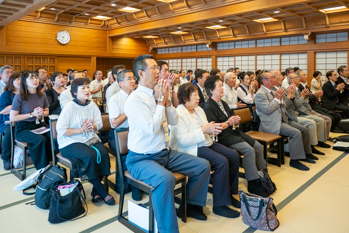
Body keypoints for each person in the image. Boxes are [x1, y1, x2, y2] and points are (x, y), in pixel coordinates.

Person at [125, 54, 211, 233]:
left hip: (164, 153)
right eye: (154, 68)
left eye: (159, 68)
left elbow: (173, 120)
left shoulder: (159, 94)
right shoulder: (134, 100)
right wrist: (159, 101)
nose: (158, 72)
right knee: (166, 179)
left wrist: (167, 100)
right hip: (140, 159)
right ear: (141, 73)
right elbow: (151, 128)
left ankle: (190, 206)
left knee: (202, 165)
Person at [170, 83, 240, 218]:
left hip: (206, 142)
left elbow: (207, 128)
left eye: (198, 94)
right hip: (191, 147)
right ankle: (220, 205)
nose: (198, 97)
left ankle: (229, 194)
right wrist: (204, 130)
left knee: (233, 155)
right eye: (194, 95)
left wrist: (214, 129)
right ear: (185, 97)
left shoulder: (199, 109)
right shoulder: (178, 113)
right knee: (221, 161)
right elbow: (183, 141)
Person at [203, 75, 272, 196]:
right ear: (211, 90)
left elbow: (229, 119)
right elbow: (215, 127)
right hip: (223, 137)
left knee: (258, 146)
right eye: (219, 86)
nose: (222, 88)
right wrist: (229, 122)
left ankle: (263, 176)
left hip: (234, 132)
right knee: (249, 150)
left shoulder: (222, 103)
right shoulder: (208, 106)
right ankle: (253, 182)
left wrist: (234, 120)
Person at [57, 78, 115, 205]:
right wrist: (80, 130)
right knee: (90, 155)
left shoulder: (92, 104)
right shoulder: (70, 107)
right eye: (83, 88)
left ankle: (95, 192)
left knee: (104, 153)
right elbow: (61, 130)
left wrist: (92, 127)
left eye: (88, 87)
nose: (87, 90)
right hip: (70, 141)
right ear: (74, 93)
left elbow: (98, 124)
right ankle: (102, 192)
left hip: (89, 138)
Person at [255, 72, 312, 171]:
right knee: (296, 133)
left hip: (282, 119)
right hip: (272, 123)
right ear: (264, 81)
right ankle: (294, 160)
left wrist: (281, 99)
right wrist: (278, 99)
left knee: (304, 129)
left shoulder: (272, 92)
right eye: (272, 78)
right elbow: (268, 109)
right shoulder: (260, 94)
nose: (274, 79)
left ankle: (306, 154)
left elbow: (283, 106)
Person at [271, 70, 322, 157]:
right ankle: (300, 155)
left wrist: (298, 95)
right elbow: (285, 106)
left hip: (290, 116)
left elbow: (289, 105)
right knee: (301, 130)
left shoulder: (283, 89)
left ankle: (308, 151)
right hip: (282, 119)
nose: (282, 77)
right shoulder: (272, 91)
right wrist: (291, 95)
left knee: (306, 128)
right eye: (279, 75)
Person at [9, 71, 52, 170]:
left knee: (53, 136)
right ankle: (42, 169)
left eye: (36, 77)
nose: (35, 80)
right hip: (24, 128)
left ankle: (52, 163)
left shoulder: (42, 95)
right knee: (40, 140)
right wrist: (32, 114)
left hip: (40, 125)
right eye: (31, 78)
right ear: (24, 81)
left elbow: (47, 112)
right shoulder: (19, 96)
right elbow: (13, 117)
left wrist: (41, 113)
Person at [294, 71, 332, 147]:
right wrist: (311, 95)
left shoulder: (303, 86)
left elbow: (308, 96)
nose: (306, 76)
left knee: (328, 119)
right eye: (304, 75)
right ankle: (315, 143)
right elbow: (297, 103)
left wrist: (315, 95)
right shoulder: (295, 89)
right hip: (303, 110)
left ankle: (322, 139)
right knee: (320, 120)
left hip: (309, 107)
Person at [0, 72, 21, 170]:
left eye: (22, 79)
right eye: (17, 79)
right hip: (7, 121)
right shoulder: (6, 94)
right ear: (12, 82)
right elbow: (3, 111)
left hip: (23, 120)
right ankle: (6, 158)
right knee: (9, 132)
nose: (21, 81)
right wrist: (18, 105)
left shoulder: (26, 94)